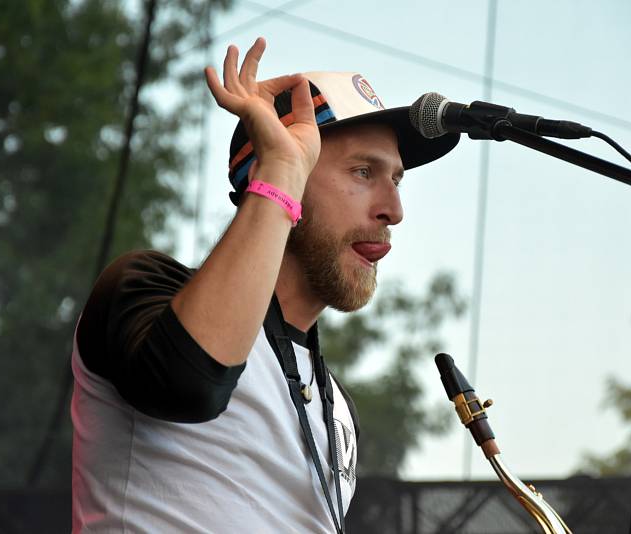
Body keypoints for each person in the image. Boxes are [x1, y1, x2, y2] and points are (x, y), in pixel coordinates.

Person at [70, 37, 459, 533]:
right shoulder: (145, 288)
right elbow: (190, 385)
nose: (393, 211)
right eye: (363, 172)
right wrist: (281, 172)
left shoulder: (335, 405)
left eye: (397, 180)